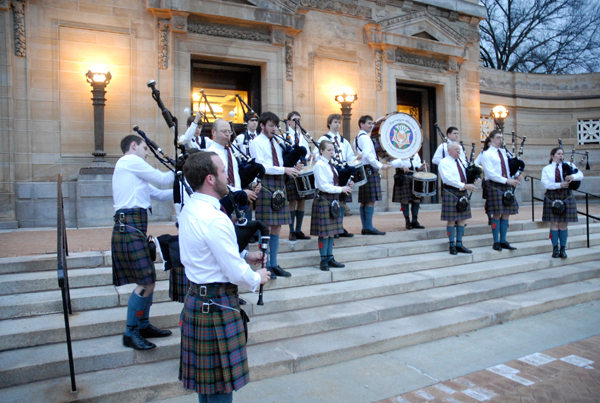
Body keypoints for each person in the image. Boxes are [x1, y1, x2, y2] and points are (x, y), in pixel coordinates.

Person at [178, 151, 270, 403]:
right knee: (220, 389)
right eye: (222, 171)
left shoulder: (190, 208)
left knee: (207, 388)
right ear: (210, 178)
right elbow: (232, 272)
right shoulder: (214, 219)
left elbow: (210, 253)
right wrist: (256, 277)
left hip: (198, 301)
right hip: (217, 304)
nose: (227, 176)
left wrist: (243, 255)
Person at [111, 135, 175, 350]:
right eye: (145, 148)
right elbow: (163, 179)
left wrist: (183, 189)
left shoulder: (132, 173)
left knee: (150, 280)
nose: (147, 153)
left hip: (133, 228)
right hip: (129, 228)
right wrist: (182, 169)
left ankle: (143, 325)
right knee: (146, 282)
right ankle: (130, 332)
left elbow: (161, 193)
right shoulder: (130, 161)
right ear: (133, 146)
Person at [249, 112, 301, 278]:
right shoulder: (255, 142)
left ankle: (274, 263)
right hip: (265, 183)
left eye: (275, 126)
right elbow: (261, 166)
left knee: (277, 227)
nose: (274, 129)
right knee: (266, 227)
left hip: (279, 183)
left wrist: (294, 165)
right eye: (270, 125)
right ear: (262, 126)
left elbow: (283, 161)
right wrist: (284, 169)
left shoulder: (278, 142)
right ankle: (265, 265)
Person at [314, 114, 359, 237]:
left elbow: (350, 158)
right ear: (329, 123)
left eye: (339, 122)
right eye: (335, 122)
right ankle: (334, 227)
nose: (338, 124)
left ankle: (340, 227)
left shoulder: (343, 141)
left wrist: (356, 159)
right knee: (333, 201)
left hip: (342, 173)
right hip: (330, 171)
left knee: (341, 200)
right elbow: (317, 155)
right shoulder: (323, 138)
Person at [311, 140, 353, 271]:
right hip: (323, 199)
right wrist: (341, 189)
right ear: (321, 151)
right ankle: (323, 260)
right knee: (324, 233)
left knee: (331, 232)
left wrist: (346, 184)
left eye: (333, 150)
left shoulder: (332, 166)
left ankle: (330, 257)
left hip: (332, 200)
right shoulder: (319, 165)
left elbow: (335, 182)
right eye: (329, 150)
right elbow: (323, 186)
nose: (332, 152)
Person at [481, 130, 521, 251]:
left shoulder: (504, 152)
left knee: (506, 213)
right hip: (495, 185)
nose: (500, 140)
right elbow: (490, 173)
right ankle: (496, 242)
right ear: (491, 139)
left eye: (502, 138)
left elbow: (510, 167)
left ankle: (503, 240)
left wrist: (516, 175)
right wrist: (506, 181)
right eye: (498, 138)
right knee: (497, 214)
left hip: (506, 183)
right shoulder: (486, 154)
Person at [541, 147, 583, 258]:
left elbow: (580, 175)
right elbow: (545, 183)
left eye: (562, 154)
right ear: (552, 155)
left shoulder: (568, 166)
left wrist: (572, 176)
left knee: (563, 223)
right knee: (554, 223)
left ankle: (563, 249)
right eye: (558, 154)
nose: (561, 156)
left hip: (566, 196)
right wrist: (559, 185)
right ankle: (555, 249)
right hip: (552, 196)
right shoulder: (547, 169)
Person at [207, 119, 260, 205]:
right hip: (221, 201)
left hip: (236, 200)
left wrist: (252, 183)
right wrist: (240, 192)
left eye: (229, 131)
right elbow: (217, 181)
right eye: (224, 131)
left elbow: (237, 173)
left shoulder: (232, 150)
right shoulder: (210, 154)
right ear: (213, 132)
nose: (228, 134)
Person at [438, 143, 478, 254]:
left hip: (462, 192)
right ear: (449, 151)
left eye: (459, 149)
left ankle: (459, 244)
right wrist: (464, 186)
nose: (458, 151)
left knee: (462, 219)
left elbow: (465, 175)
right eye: (455, 149)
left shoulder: (461, 161)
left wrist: (474, 179)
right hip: (451, 192)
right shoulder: (444, 162)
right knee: (451, 220)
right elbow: (448, 179)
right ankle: (452, 245)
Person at [354, 115, 390, 235]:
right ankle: (368, 227)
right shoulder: (365, 138)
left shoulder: (357, 137)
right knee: (370, 200)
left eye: (371, 123)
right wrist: (380, 165)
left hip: (364, 170)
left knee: (364, 201)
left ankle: (366, 227)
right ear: (361, 124)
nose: (371, 125)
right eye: (369, 123)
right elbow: (368, 156)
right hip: (369, 170)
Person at [285, 111, 313, 241]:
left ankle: (298, 230)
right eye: (294, 120)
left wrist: (309, 157)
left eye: (299, 120)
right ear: (289, 121)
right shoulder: (285, 136)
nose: (297, 123)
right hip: (291, 172)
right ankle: (291, 231)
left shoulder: (303, 138)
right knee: (293, 201)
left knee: (302, 201)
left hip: (302, 172)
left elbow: (306, 155)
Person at [391, 153, 428, 230]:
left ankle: (415, 221)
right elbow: (391, 162)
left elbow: (417, 165)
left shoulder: (415, 152)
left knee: (416, 199)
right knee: (404, 201)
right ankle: (407, 221)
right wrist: (402, 165)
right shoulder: (397, 151)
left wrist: (422, 166)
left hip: (415, 177)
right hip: (403, 177)